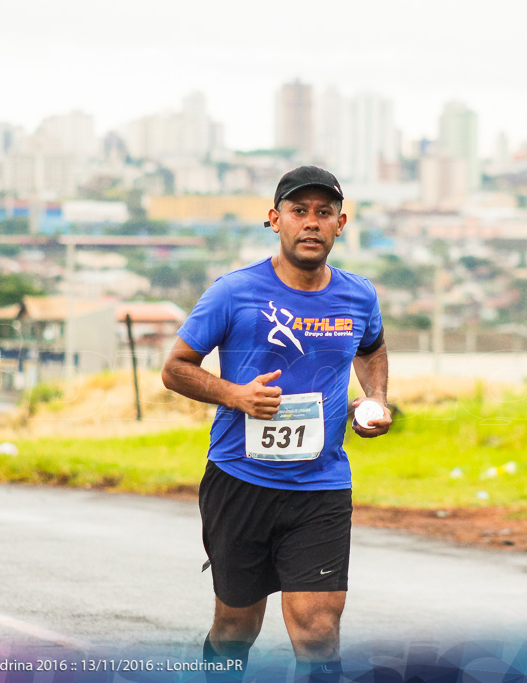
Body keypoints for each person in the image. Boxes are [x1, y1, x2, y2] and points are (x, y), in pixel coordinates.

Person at [162, 166, 391, 682]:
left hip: (321, 486)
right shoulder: (232, 292)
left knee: (318, 630)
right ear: (275, 220)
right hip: (240, 481)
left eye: (323, 213)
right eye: (298, 211)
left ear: (340, 224)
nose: (311, 223)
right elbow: (175, 369)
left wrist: (373, 400)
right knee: (236, 627)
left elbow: (371, 348)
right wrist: (235, 395)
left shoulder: (358, 296)